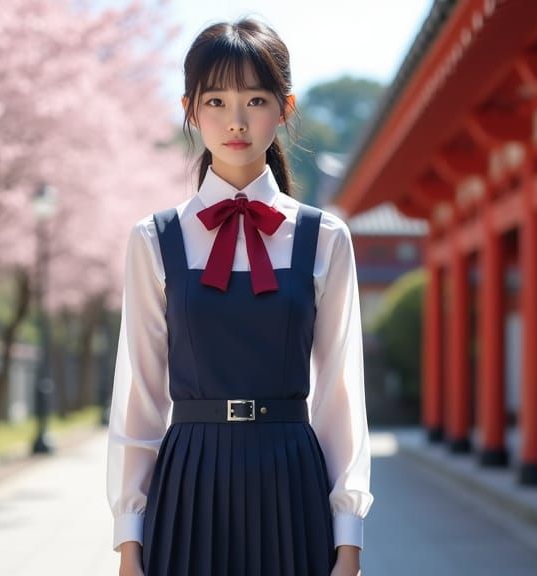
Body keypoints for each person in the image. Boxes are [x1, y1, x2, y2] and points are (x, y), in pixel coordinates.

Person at [106, 17, 373, 576]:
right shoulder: (154, 239)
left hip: (291, 482)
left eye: (255, 100)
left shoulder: (325, 237)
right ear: (190, 109)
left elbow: (339, 394)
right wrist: (129, 537)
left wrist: (348, 537)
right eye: (216, 101)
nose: (236, 120)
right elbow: (140, 396)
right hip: (188, 485)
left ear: (284, 108)